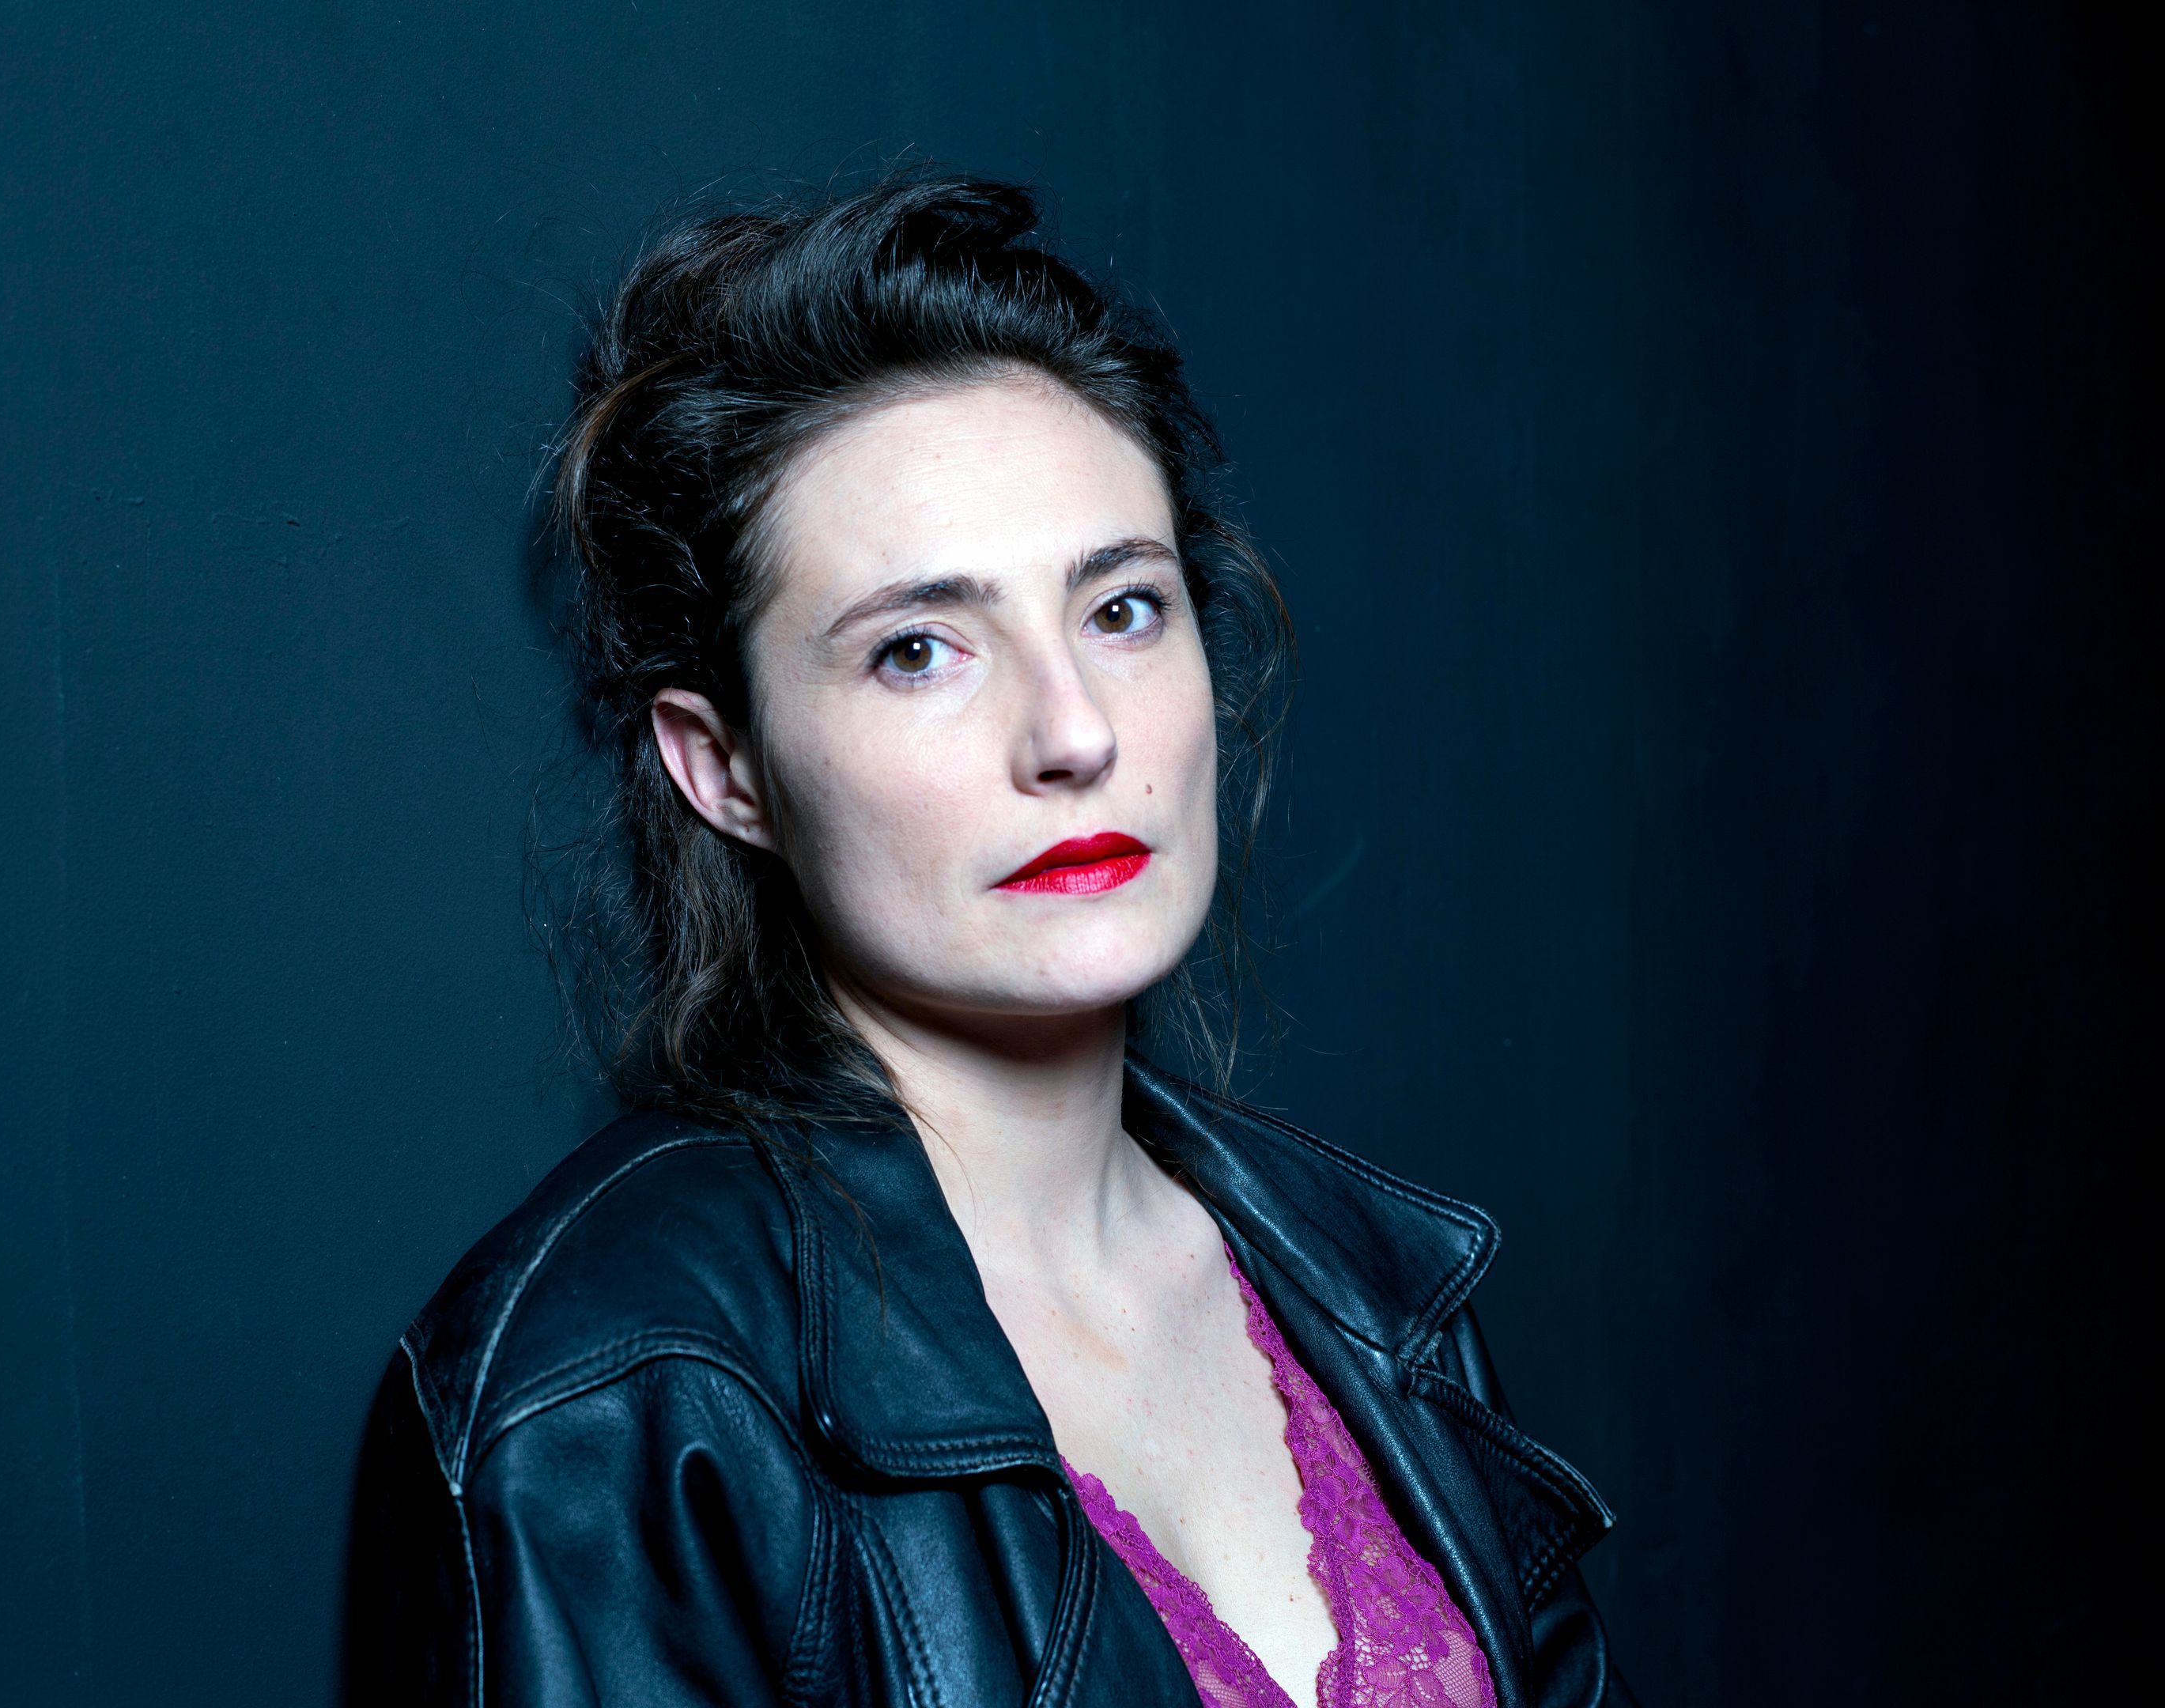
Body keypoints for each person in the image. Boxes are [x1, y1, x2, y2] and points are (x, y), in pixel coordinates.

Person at [345, 172, 1630, 1708]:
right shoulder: (606, 1394)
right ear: (724, 767)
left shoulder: (1367, 1286)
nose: (1074, 732)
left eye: (1122, 610)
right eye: (919, 650)